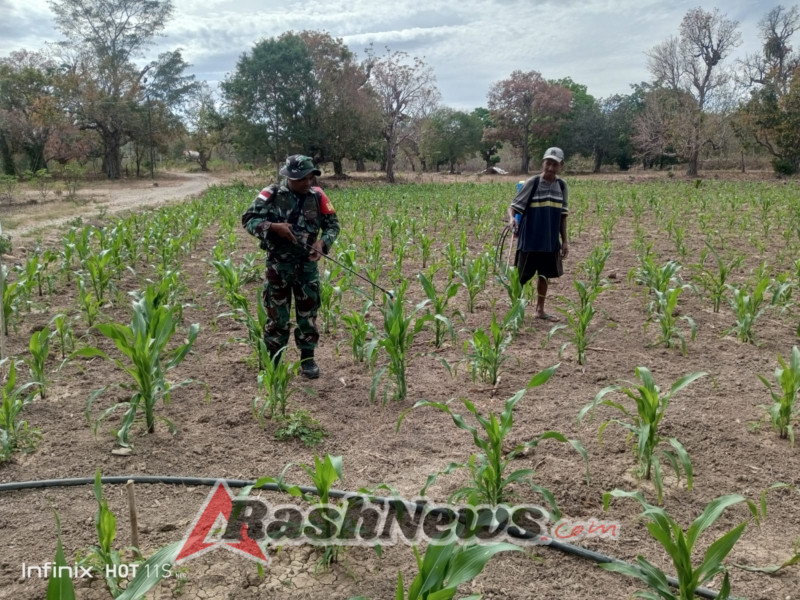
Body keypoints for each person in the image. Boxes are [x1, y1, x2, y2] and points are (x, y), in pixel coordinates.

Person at [242, 155, 340, 378]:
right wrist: (273, 227)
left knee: (308, 314)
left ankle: (307, 359)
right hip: (278, 267)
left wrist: (322, 243)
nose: (307, 182)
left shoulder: (318, 196)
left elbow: (333, 225)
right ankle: (274, 362)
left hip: (307, 267)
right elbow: (248, 220)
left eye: (310, 177)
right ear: (289, 177)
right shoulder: (272, 194)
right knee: (277, 317)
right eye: (302, 178)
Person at [506, 147, 569, 321]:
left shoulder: (562, 186)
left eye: (555, 164)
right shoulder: (532, 183)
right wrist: (512, 219)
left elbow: (563, 216)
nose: (550, 168)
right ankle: (515, 311)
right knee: (520, 278)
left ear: (561, 166)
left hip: (550, 241)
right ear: (543, 163)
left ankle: (540, 310)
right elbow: (513, 207)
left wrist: (564, 241)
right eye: (548, 163)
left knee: (544, 276)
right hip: (530, 240)